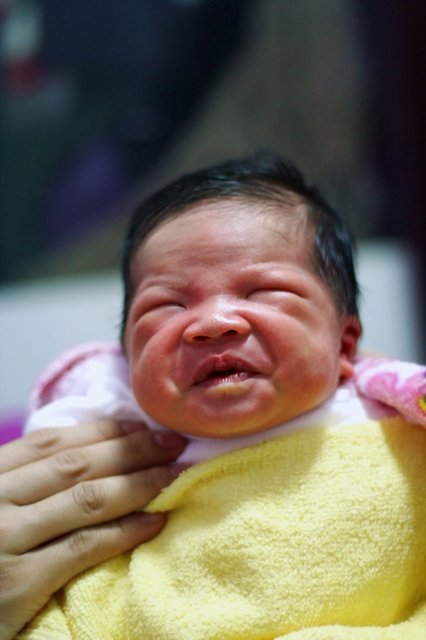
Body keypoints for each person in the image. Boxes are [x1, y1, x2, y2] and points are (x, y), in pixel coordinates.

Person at [11, 152, 426, 638]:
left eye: (261, 292)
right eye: (168, 305)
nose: (212, 324)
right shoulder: (113, 419)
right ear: (128, 358)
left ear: (345, 345)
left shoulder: (389, 406)